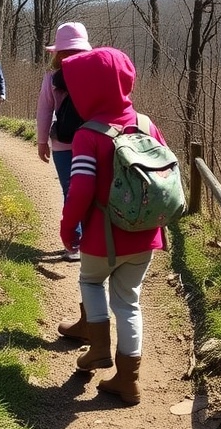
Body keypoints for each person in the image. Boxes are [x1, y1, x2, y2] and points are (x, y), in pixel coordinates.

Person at [59, 46, 167, 406]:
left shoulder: (87, 135)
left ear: (91, 90)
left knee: (90, 281)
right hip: (146, 237)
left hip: (101, 238)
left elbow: (81, 190)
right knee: (129, 302)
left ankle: (99, 350)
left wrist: (68, 227)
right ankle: (128, 379)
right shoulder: (147, 124)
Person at [36, 22, 92, 267]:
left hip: (62, 143)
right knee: (91, 191)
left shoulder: (51, 77)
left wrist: (41, 141)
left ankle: (75, 243)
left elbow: (44, 109)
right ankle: (93, 242)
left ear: (57, 52)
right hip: (92, 142)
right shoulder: (96, 73)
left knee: (70, 191)